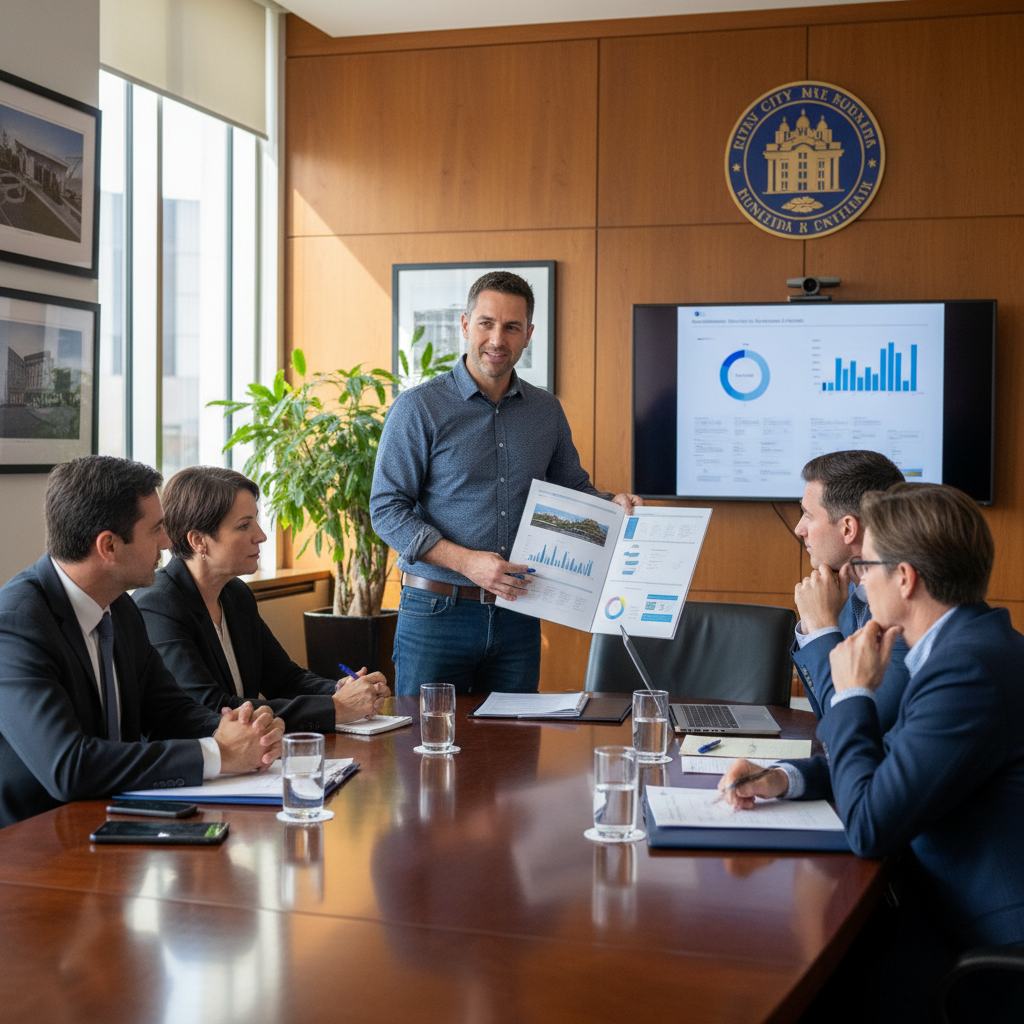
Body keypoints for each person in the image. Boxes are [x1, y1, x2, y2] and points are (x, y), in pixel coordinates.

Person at [721, 484, 1024, 1017]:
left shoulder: (966, 670)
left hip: (983, 941)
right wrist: (785, 777)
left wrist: (855, 692)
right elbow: (890, 760)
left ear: (904, 578)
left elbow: (870, 825)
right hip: (940, 907)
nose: (859, 579)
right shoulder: (967, 644)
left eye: (866, 567)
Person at [370, 270, 641, 695]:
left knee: (514, 754)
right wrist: (468, 563)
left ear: (528, 334)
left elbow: (573, 488)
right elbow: (386, 511)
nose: (498, 339)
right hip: (436, 611)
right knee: (426, 749)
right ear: (465, 325)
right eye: (486, 323)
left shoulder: (546, 411)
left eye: (512, 327)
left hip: (519, 613)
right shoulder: (418, 408)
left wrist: (613, 503)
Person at [0, 456, 284, 829]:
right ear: (109, 546)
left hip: (115, 823)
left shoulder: (120, 607)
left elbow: (169, 712)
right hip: (35, 843)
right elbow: (69, 766)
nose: (168, 543)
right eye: (156, 530)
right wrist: (217, 753)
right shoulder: (17, 626)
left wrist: (238, 727)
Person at [133, 466, 390, 732]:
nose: (261, 535)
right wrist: (337, 708)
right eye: (244, 525)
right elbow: (211, 707)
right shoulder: (158, 605)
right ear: (199, 540)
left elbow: (284, 679)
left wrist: (341, 688)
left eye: (255, 520)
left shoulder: (236, 594)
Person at [791, 449, 908, 728]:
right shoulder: (841, 596)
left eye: (808, 515)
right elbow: (826, 716)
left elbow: (853, 727)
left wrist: (820, 629)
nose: (798, 529)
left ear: (848, 529)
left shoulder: (904, 613)